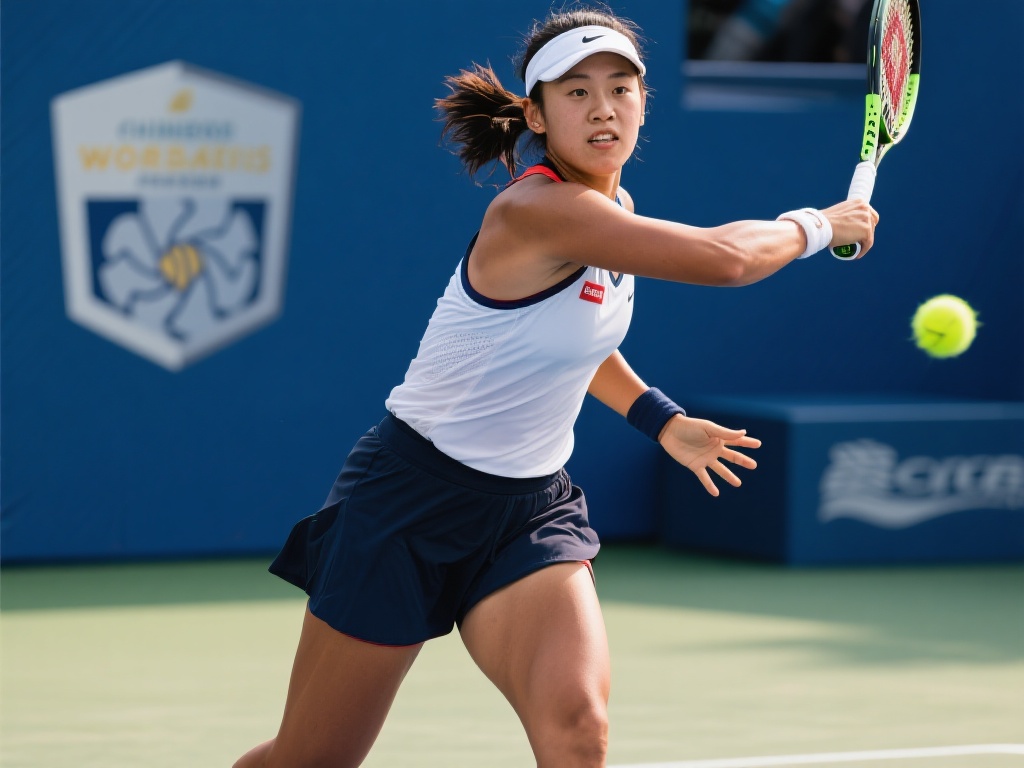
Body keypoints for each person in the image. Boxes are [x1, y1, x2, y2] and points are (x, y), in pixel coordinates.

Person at [234, 6, 877, 767]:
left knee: (578, 731)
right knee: (310, 760)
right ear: (536, 115)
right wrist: (816, 225)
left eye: (620, 88)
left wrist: (661, 420)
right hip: (408, 503)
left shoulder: (613, 211)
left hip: (527, 514)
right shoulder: (535, 211)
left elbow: (575, 343)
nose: (603, 107)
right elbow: (724, 259)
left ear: (643, 103)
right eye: (577, 92)